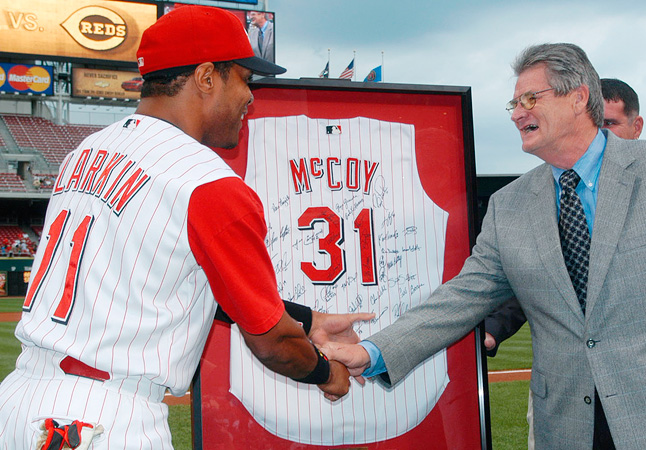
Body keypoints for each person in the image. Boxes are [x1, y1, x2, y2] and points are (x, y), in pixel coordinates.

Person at [324, 43, 646, 449]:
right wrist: (372, 351)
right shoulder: (509, 206)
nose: (517, 113)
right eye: (512, 104)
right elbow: (461, 297)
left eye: (530, 98)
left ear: (578, 97)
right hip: (566, 427)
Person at [0, 6, 372, 450]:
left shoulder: (87, 149)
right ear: (207, 76)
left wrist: (310, 320)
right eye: (245, 78)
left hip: (19, 401)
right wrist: (327, 374)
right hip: (104, 419)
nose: (251, 96)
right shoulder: (207, 183)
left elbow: (180, 282)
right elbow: (273, 344)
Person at [481, 77, 646, 449]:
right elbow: (528, 281)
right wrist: (490, 328)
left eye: (611, 124)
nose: (601, 133)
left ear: (636, 127)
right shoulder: (541, 197)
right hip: (567, 396)